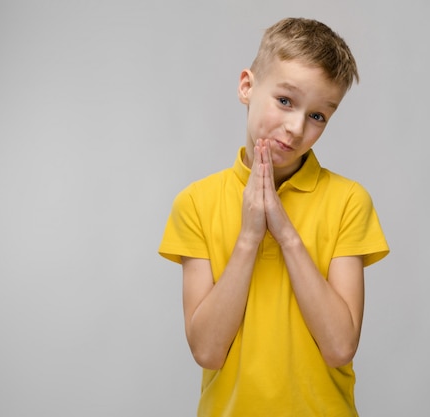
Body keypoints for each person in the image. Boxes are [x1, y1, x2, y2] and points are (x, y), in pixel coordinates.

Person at [159, 17, 389, 416]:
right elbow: (208, 351)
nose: (296, 128)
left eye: (318, 116)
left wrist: (287, 235)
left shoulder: (349, 201)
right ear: (247, 87)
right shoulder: (196, 202)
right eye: (285, 101)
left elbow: (339, 347)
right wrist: (249, 238)